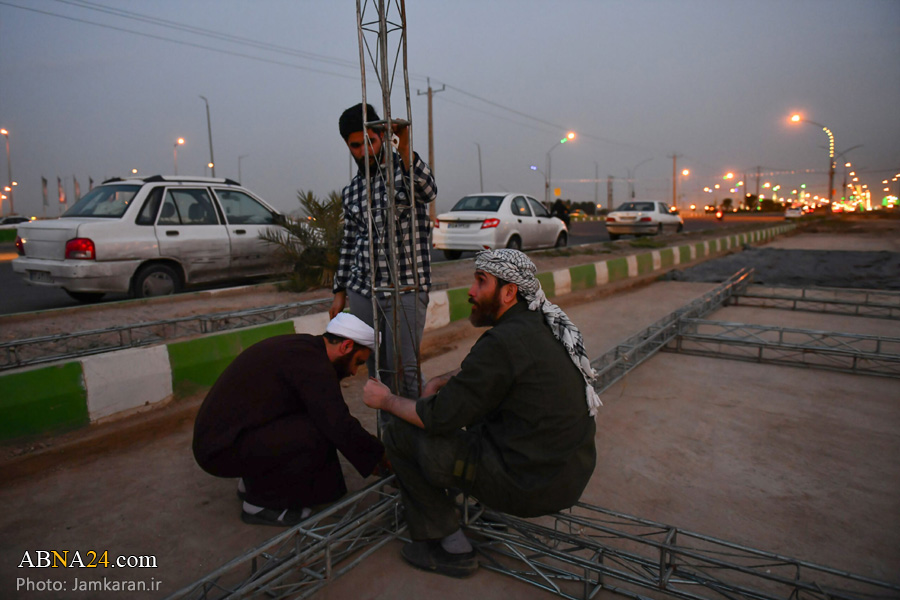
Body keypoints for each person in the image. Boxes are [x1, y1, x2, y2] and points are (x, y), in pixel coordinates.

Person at [363, 249, 601, 578]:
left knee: (401, 433)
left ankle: (450, 544)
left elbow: (437, 417)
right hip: (568, 474)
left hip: (529, 486)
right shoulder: (544, 326)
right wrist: (443, 379)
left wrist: (386, 400)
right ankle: (482, 516)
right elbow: (490, 374)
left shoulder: (501, 343)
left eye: (481, 282)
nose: (471, 292)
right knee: (479, 413)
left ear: (508, 292)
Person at [192, 313, 388, 527]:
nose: (353, 372)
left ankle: (255, 483)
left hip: (224, 441)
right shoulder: (315, 366)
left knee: (314, 421)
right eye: (357, 362)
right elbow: (339, 424)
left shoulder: (306, 348)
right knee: (314, 431)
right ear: (346, 346)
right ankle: (260, 505)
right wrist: (383, 460)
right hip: (220, 451)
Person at [331, 103, 437, 399]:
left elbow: (429, 191)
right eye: (355, 145)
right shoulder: (351, 191)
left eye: (370, 142)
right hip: (364, 290)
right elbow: (349, 241)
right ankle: (391, 438)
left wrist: (404, 147)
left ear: (381, 136)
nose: (363, 151)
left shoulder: (404, 172)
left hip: (406, 287)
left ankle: (420, 435)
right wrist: (339, 291)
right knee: (377, 368)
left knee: (406, 369)